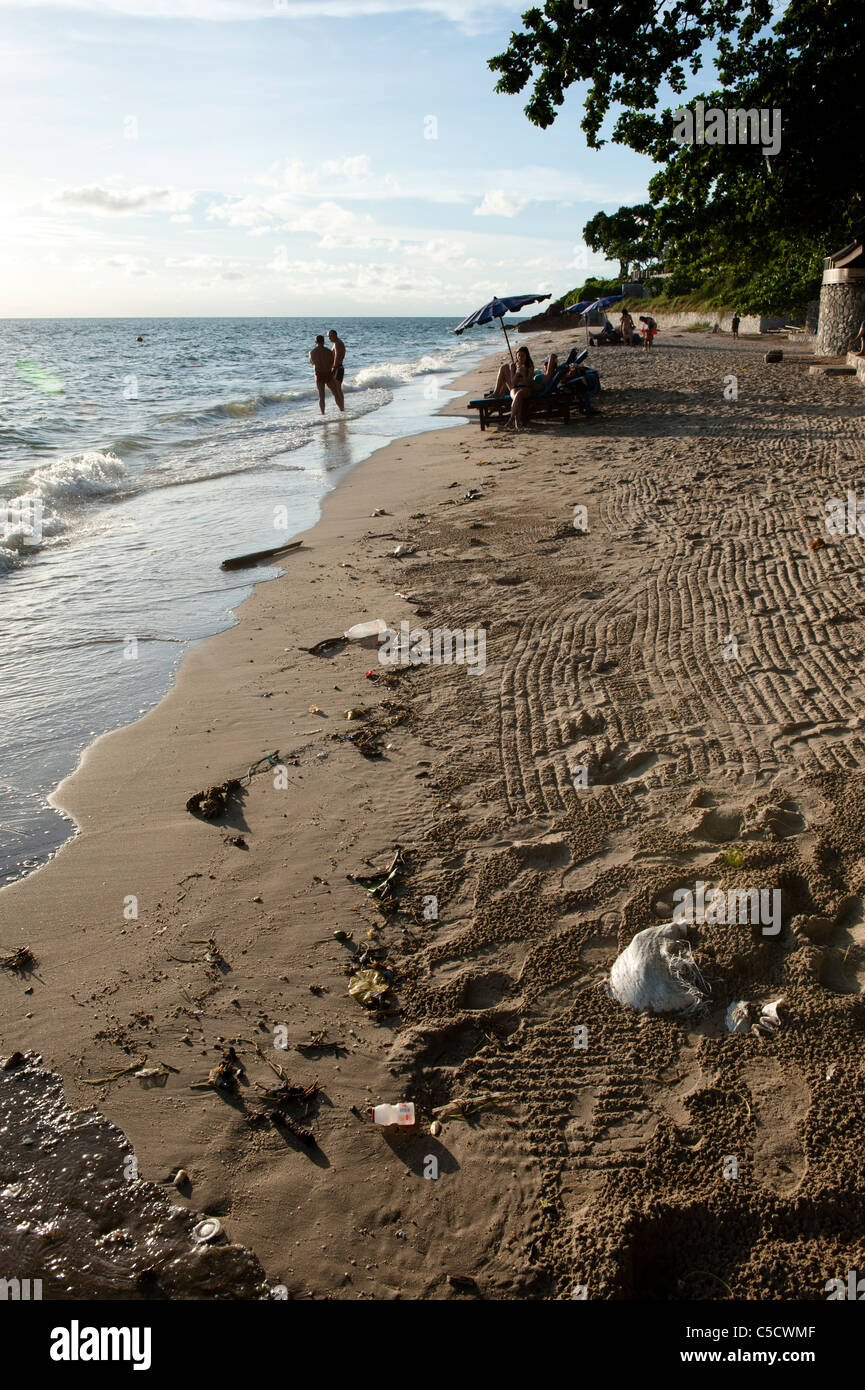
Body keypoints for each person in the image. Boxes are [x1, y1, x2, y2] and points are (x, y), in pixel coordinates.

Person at [309, 334, 343, 414]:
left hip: (319, 374)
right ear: (324, 342)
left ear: (316, 342)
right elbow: (332, 363)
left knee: (322, 397)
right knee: (336, 394)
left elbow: (312, 363)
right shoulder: (329, 351)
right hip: (328, 374)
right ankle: (342, 410)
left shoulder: (312, 352)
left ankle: (323, 414)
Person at [507, 345, 536, 430]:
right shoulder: (513, 366)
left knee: (519, 394)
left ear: (527, 356)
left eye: (522, 355)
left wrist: (523, 374)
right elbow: (512, 384)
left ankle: (511, 418)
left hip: (526, 389)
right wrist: (517, 372)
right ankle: (516, 421)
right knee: (516, 395)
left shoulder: (530, 366)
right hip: (515, 388)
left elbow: (528, 383)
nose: (520, 357)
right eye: (518, 355)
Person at [327, 329, 346, 408]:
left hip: (338, 367)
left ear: (335, 335)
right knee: (337, 389)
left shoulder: (338, 343)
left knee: (338, 389)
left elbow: (337, 357)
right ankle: (341, 407)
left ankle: (342, 408)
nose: (329, 338)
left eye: (330, 336)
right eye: (328, 336)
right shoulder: (336, 343)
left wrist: (334, 368)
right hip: (338, 367)